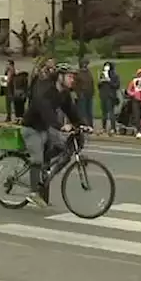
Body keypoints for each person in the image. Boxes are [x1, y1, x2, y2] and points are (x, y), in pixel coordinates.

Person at [21, 63, 86, 208]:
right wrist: (61, 125)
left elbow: (71, 111)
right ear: (60, 77)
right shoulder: (46, 91)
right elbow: (46, 112)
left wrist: (83, 124)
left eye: (73, 77)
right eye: (69, 77)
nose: (72, 80)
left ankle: (44, 178)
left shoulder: (64, 94)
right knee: (37, 159)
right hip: (32, 128)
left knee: (64, 149)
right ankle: (33, 193)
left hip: (45, 128)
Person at [97, 61, 121, 134]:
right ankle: (103, 128)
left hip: (110, 96)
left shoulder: (115, 75)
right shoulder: (102, 74)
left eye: (108, 66)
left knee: (111, 113)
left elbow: (117, 85)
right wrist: (100, 82)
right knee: (104, 113)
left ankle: (113, 128)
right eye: (105, 66)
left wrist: (109, 81)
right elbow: (99, 86)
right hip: (103, 95)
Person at [75, 59, 96, 128]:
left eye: (86, 64)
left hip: (89, 93)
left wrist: (93, 91)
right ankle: (84, 124)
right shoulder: (78, 73)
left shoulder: (88, 72)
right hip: (82, 94)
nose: (85, 65)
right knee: (82, 111)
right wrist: (79, 93)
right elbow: (76, 85)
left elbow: (92, 82)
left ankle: (90, 125)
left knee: (89, 111)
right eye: (84, 64)